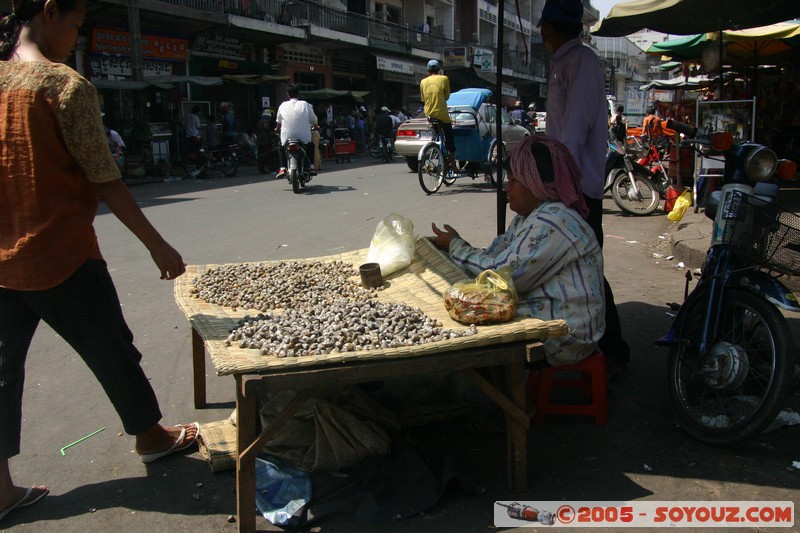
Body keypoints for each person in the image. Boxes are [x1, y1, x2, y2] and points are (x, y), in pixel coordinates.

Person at [0, 0, 199, 522]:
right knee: (113, 348)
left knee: (1, 372)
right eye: (76, 25)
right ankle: (152, 436)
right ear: (49, 12)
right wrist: (158, 244)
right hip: (60, 253)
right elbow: (104, 178)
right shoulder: (63, 86)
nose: (77, 37)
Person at [428, 136, 604, 366]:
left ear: (536, 184)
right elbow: (494, 254)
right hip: (547, 312)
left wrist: (455, 247)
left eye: (513, 181)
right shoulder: (527, 218)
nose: (506, 188)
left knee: (467, 325)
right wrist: (454, 249)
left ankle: (502, 393)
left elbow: (502, 277)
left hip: (567, 334)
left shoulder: (554, 222)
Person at [540, 0, 630, 376]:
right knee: (578, 268)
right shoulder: (564, 61)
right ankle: (598, 345)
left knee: (589, 269)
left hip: (579, 188)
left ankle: (613, 350)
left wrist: (563, 186)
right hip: (568, 184)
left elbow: (573, 130)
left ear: (549, 27)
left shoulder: (581, 61)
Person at [275, 83, 317, 179]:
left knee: (281, 147)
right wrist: (315, 126)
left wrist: (277, 129)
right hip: (303, 138)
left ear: (288, 94)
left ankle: (282, 168)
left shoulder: (282, 105)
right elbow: (313, 120)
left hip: (287, 137)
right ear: (299, 94)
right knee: (310, 146)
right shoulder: (305, 104)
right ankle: (311, 166)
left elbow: (278, 122)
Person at [420, 59, 456, 169]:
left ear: (428, 70)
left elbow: (423, 99)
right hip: (442, 114)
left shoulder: (423, 82)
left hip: (429, 114)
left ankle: (434, 149)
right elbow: (447, 97)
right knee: (449, 137)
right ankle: (452, 161)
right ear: (439, 70)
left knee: (436, 134)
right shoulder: (444, 78)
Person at [256, 108, 275, 174]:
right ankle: (270, 169)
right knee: (268, 155)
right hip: (265, 141)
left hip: (259, 141)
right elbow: (267, 129)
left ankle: (261, 169)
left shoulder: (260, 121)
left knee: (261, 156)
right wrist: (272, 133)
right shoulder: (265, 121)